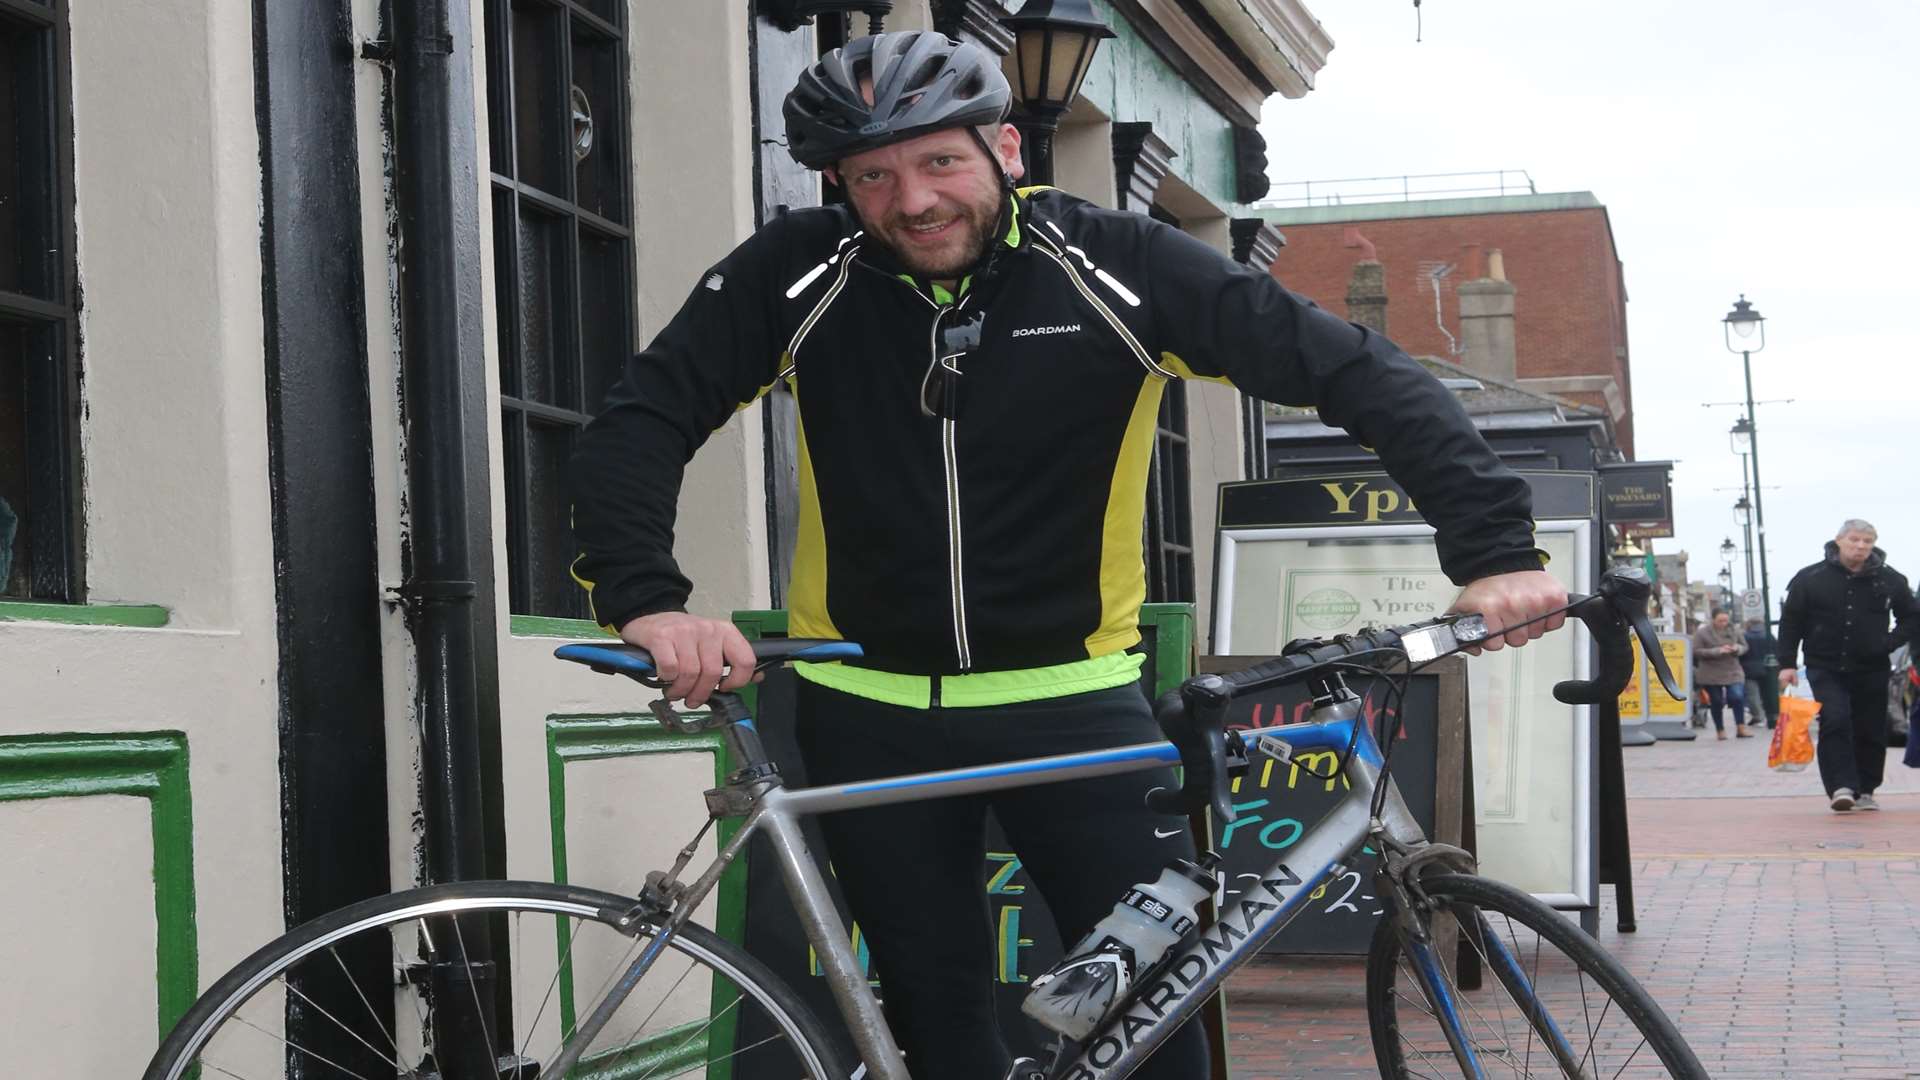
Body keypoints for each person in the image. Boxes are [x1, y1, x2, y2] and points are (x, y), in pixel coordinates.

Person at [568, 31, 1567, 1079]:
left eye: (940, 161)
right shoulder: (799, 272)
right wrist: (648, 600)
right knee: (937, 1026)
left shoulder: (1113, 263)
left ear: (1005, 147)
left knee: (1153, 1029)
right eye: (874, 175)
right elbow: (642, 419)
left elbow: (1358, 372)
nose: (912, 200)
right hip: (867, 712)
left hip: (1077, 711)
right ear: (840, 185)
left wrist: (1496, 550)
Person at [1778, 519, 1920, 812]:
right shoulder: (1810, 578)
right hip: (1824, 664)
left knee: (1870, 726)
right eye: (1855, 540)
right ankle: (1841, 787)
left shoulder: (1890, 579)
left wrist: (1888, 643)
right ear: (1839, 540)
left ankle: (1866, 789)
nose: (1861, 547)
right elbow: (1791, 622)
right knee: (1835, 719)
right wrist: (1787, 663)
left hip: (1872, 665)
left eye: (1867, 542)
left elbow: (1911, 617)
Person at [1691, 609, 1750, 739]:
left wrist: (1737, 649)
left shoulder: (1735, 630)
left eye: (1725, 620)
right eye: (1720, 621)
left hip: (1733, 669)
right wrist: (1718, 651)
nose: (1723, 623)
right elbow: (1696, 651)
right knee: (1716, 701)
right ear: (1713, 620)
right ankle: (1720, 730)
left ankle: (1741, 727)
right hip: (1711, 671)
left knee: (1737, 696)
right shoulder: (1702, 633)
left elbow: (1744, 646)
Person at [1741, 617, 1777, 729]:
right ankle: (1771, 715)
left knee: (1753, 695)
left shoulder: (1745, 636)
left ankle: (1758, 716)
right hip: (1767, 668)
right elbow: (1776, 649)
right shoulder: (1768, 635)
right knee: (1768, 694)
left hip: (1748, 669)